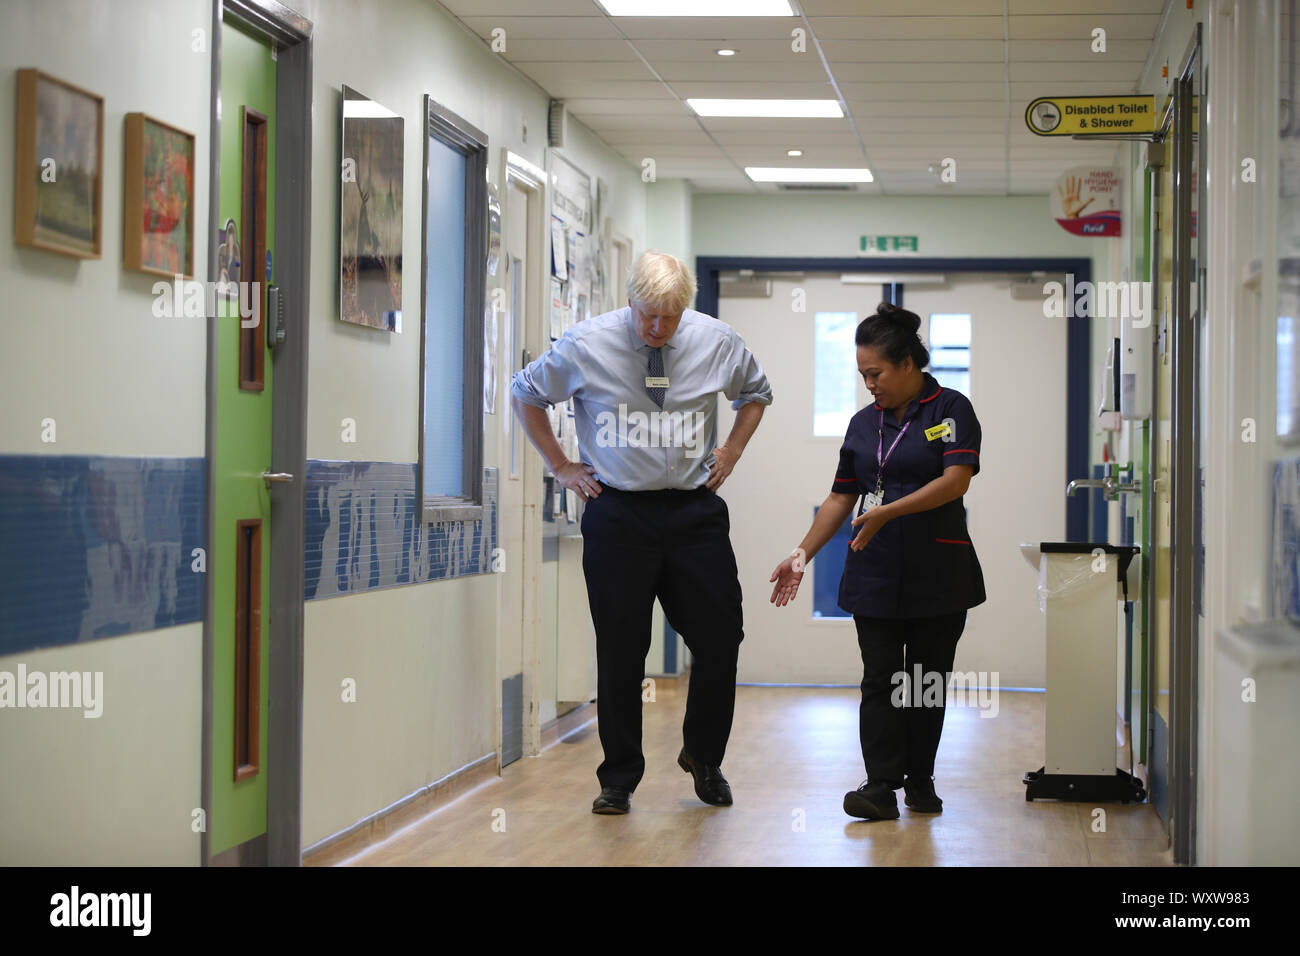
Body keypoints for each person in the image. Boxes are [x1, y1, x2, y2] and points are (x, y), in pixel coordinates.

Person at [510, 251, 773, 815]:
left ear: (687, 309)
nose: (658, 328)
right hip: (618, 512)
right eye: (648, 315)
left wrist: (731, 449)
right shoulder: (586, 343)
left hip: (693, 514)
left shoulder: (717, 340)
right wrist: (561, 465)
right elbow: (525, 394)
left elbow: (756, 394)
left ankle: (705, 758)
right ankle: (619, 777)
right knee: (622, 648)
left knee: (720, 638)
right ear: (629, 300)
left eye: (670, 317)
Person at [769, 302, 985, 820]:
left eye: (876, 372)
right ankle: (881, 785)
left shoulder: (951, 410)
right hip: (876, 571)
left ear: (908, 363)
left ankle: (921, 780)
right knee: (882, 679)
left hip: (938, 569)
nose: (869, 383)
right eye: (863, 374)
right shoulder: (864, 424)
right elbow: (842, 496)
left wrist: (887, 511)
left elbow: (954, 481)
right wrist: (802, 553)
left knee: (926, 680)